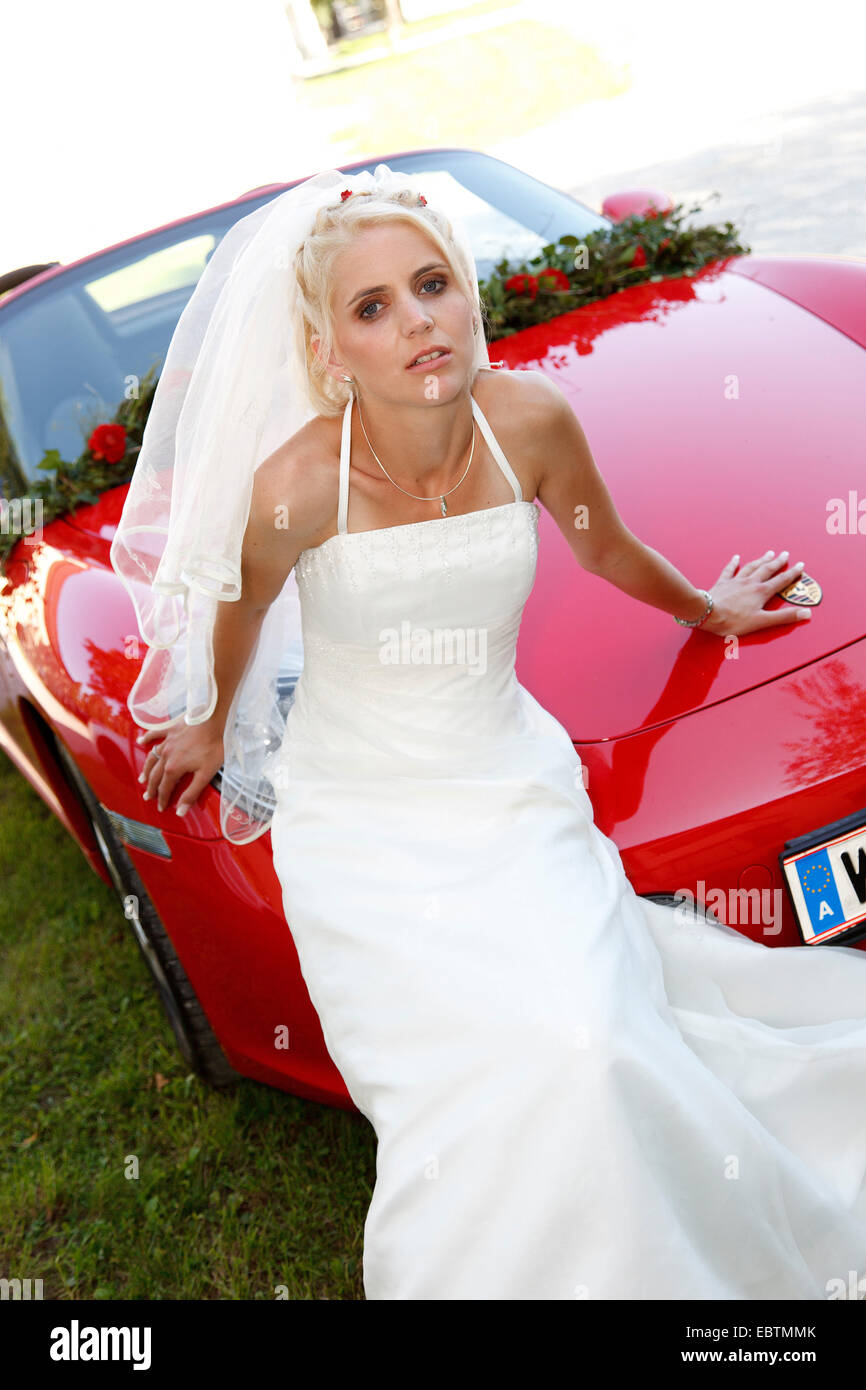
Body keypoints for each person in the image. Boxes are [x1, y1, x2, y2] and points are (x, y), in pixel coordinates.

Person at [113, 164, 866, 1300]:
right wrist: (213, 723)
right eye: (372, 307)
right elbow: (241, 610)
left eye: (431, 285)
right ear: (329, 354)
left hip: (501, 781)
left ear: (470, 297)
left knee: (589, 1040)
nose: (416, 319)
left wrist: (708, 608)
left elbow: (604, 548)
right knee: (506, 1065)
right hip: (360, 820)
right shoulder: (297, 485)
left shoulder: (529, 421)